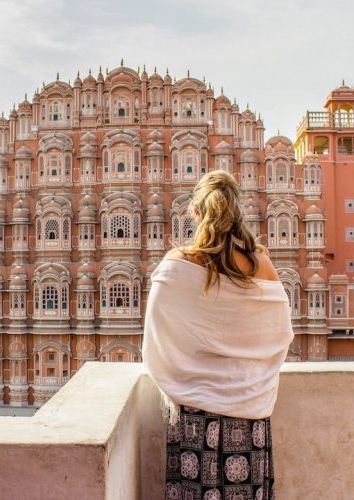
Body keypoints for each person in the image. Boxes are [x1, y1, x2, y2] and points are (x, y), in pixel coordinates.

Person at [142, 170, 294, 500]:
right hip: (250, 411)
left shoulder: (178, 264)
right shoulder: (262, 263)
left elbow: (157, 336)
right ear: (237, 211)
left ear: (195, 212)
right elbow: (280, 332)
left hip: (197, 416)